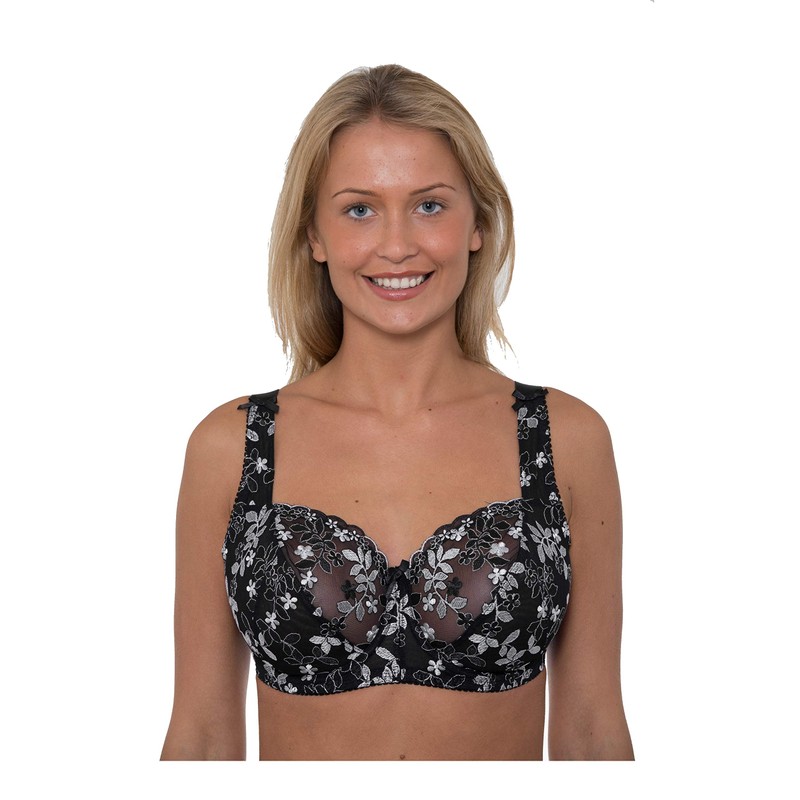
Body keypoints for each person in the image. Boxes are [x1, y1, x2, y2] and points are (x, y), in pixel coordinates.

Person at [160, 64, 634, 761]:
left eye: (430, 206)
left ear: (478, 224)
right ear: (314, 236)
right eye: (359, 209)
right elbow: (201, 736)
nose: (397, 244)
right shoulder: (232, 448)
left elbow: (593, 731)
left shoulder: (564, 439)